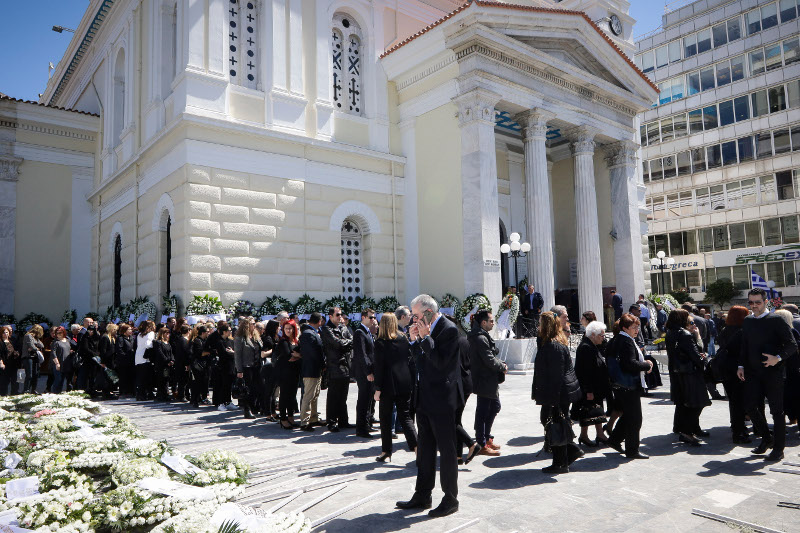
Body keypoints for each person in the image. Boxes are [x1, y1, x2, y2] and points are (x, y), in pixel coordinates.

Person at [397, 294, 462, 518]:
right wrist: (415, 341)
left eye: (415, 315)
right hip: (424, 398)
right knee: (424, 451)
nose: (412, 319)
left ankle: (450, 498)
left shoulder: (449, 329)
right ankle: (423, 494)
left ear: (428, 312)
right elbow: (420, 361)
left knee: (446, 450)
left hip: (442, 400)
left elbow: (442, 364)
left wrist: (424, 339)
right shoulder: (424, 330)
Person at [737, 288, 798, 461]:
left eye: (758, 302)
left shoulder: (776, 320)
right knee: (750, 406)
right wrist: (740, 365)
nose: (754, 306)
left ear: (765, 302)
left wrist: (777, 358)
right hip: (752, 372)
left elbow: (792, 345)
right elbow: (744, 345)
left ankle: (778, 449)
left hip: (774, 373)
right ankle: (766, 438)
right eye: (751, 302)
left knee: (777, 412)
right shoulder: (748, 321)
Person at [533, 311, 583, 474]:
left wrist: (553, 400)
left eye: (540, 323)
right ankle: (567, 455)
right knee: (559, 423)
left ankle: (561, 462)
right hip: (560, 392)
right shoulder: (551, 343)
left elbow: (556, 375)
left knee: (556, 425)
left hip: (559, 393)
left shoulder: (553, 346)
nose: (538, 326)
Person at [606, 313, 654, 459]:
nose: (636, 330)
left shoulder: (616, 339)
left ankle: (614, 440)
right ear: (625, 328)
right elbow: (629, 364)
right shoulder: (626, 342)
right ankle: (632, 450)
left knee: (628, 416)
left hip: (618, 384)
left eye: (637, 327)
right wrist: (646, 365)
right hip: (628, 385)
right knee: (635, 419)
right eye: (633, 327)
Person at [373, 313, 418, 462]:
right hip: (404, 382)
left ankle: (386, 450)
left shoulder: (380, 342)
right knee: (405, 417)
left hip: (387, 385)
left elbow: (379, 368)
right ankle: (418, 448)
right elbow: (410, 360)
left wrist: (377, 389)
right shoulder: (403, 339)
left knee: (385, 418)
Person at [665, 309, 711, 447]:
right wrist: (703, 358)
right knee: (697, 402)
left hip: (677, 371)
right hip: (690, 373)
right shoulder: (685, 334)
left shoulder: (670, 333)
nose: (690, 321)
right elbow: (696, 356)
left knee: (683, 402)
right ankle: (687, 431)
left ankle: (686, 428)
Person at [468, 310, 506, 457]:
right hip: (484, 378)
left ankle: (486, 438)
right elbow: (489, 359)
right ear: (483, 322)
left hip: (487, 378)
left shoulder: (481, 336)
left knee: (493, 407)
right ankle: (481, 443)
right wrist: (502, 366)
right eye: (491, 321)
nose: (493, 323)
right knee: (484, 410)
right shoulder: (479, 338)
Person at [715, 306, 750, 443]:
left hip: (726, 369)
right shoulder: (743, 331)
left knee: (734, 401)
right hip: (739, 369)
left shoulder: (724, 330)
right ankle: (738, 431)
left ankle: (737, 427)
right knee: (739, 401)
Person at [574, 321, 611, 447]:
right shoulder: (586, 347)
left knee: (596, 411)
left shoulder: (593, 345)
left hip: (597, 386)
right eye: (601, 335)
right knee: (587, 411)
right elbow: (585, 371)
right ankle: (584, 435)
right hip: (590, 388)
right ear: (593, 335)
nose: (603, 338)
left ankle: (599, 434)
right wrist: (588, 390)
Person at [321, 307, 354, 432]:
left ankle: (343, 420)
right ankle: (332, 422)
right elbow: (337, 344)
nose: (340, 317)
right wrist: (344, 343)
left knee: (343, 396)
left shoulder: (343, 327)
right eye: (337, 315)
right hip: (334, 366)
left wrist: (344, 343)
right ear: (330, 316)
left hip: (345, 365)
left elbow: (351, 340)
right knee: (333, 396)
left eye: (341, 315)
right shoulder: (326, 329)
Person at [352, 308, 377, 438]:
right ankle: (361, 428)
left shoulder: (368, 332)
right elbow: (362, 355)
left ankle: (366, 424)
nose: (373, 320)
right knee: (363, 400)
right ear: (363, 318)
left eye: (374, 317)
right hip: (363, 373)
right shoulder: (359, 332)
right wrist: (368, 372)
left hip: (369, 371)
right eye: (371, 317)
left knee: (368, 400)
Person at [774, 309, 800, 433]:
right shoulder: (792, 332)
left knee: (779, 398)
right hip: (792, 368)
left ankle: (781, 424)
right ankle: (793, 418)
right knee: (793, 395)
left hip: (777, 369)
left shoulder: (772, 333)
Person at [298, 313, 325, 431]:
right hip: (310, 369)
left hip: (316, 369)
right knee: (308, 396)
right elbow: (312, 353)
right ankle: (305, 421)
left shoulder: (312, 332)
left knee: (315, 394)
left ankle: (313, 418)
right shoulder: (308, 334)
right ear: (319, 321)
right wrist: (322, 364)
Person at [628, 304, 661, 392]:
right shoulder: (629, 319)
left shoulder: (637, 319)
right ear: (633, 310)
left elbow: (640, 333)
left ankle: (647, 385)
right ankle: (643, 387)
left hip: (640, 344)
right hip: (637, 346)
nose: (640, 312)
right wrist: (639, 346)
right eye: (639, 311)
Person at [275, 319, 301, 429]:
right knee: (284, 396)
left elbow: (297, 354)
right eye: (286, 329)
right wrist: (299, 356)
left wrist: (298, 356)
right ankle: (283, 418)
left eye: (290, 328)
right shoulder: (283, 341)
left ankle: (291, 417)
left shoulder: (296, 341)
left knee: (292, 396)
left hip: (295, 372)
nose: (288, 330)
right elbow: (288, 356)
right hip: (285, 372)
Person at [234, 317, 262, 419]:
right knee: (247, 389)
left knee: (256, 387)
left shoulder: (256, 336)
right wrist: (239, 370)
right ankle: (247, 409)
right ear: (247, 325)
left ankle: (254, 407)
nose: (254, 326)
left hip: (257, 365)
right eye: (252, 324)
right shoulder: (240, 338)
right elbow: (237, 355)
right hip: (246, 366)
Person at [210, 321, 236, 411]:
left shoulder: (231, 341)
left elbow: (233, 352)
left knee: (229, 385)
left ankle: (228, 401)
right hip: (223, 366)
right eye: (229, 330)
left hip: (231, 365)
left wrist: (233, 353)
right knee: (223, 385)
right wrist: (232, 353)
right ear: (224, 332)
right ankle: (221, 403)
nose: (230, 332)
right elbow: (224, 354)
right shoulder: (220, 342)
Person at [259, 320, 279, 421]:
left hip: (274, 367)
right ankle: (268, 414)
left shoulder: (274, 337)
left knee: (273, 392)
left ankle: (273, 412)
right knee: (269, 392)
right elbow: (263, 354)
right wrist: (274, 349)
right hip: (269, 367)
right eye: (278, 327)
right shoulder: (268, 339)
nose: (279, 329)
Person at [189, 325, 211, 408]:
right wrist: (209, 352)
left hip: (205, 365)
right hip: (198, 365)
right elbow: (200, 353)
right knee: (197, 383)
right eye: (207, 332)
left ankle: (203, 397)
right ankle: (195, 399)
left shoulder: (205, 340)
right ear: (203, 333)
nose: (208, 333)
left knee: (205, 382)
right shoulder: (197, 341)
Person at [134, 321, 155, 401]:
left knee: (140, 377)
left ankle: (140, 394)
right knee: (147, 378)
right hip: (146, 358)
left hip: (138, 356)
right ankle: (145, 394)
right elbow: (148, 345)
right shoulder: (151, 334)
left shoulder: (139, 334)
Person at [96, 323, 117, 398]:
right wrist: (103, 362)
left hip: (112, 361)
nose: (116, 331)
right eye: (114, 330)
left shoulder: (112, 338)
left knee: (111, 377)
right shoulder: (105, 337)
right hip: (107, 361)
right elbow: (103, 351)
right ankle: (106, 393)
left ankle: (110, 391)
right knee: (106, 378)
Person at [22, 325, 45, 394]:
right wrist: (36, 348)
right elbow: (31, 346)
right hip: (28, 357)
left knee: (35, 374)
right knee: (29, 374)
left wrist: (36, 346)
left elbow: (42, 345)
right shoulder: (28, 336)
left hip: (35, 357)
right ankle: (26, 390)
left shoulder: (36, 338)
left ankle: (33, 389)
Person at [115, 324, 135, 397]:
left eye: (131, 329)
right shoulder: (120, 338)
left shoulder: (131, 338)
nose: (131, 331)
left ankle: (130, 391)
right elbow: (119, 349)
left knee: (130, 376)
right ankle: (123, 391)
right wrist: (125, 356)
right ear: (124, 330)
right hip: (123, 361)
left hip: (131, 360)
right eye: (129, 329)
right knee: (123, 377)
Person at [49, 326, 70, 394]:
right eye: (57, 333)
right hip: (58, 364)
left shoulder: (67, 340)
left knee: (62, 380)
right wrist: (57, 364)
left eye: (60, 333)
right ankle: (55, 394)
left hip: (66, 363)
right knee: (58, 380)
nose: (58, 334)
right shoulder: (55, 342)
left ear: (64, 332)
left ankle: (59, 394)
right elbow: (53, 353)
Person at [0, 326, 18, 396]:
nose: (5, 334)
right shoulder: (1, 342)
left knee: (14, 381)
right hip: (4, 364)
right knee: (4, 382)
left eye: (6, 332)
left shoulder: (11, 341)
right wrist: (1, 363)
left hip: (12, 363)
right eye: (3, 332)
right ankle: (3, 396)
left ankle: (13, 395)